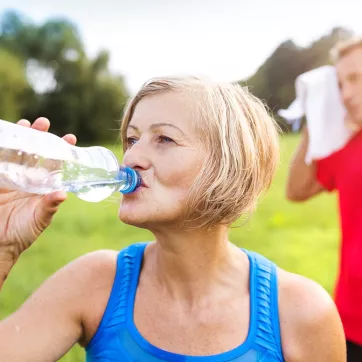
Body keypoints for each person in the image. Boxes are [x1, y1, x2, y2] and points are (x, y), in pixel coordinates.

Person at [0, 76, 345, 362]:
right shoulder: (94, 283)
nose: (132, 156)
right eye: (132, 139)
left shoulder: (300, 312)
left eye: (164, 138)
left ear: (230, 165)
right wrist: (3, 249)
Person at [286, 37, 362, 361]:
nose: (345, 94)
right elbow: (297, 189)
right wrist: (316, 118)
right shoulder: (346, 144)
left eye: (356, 78)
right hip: (350, 322)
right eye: (341, 83)